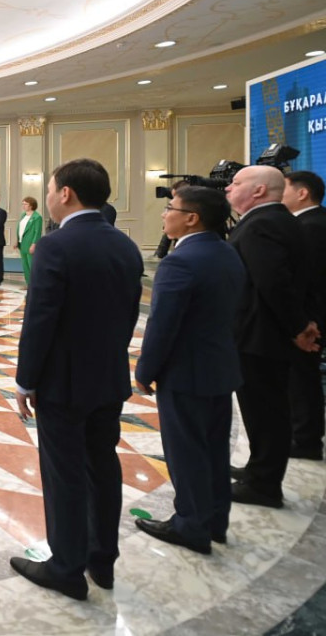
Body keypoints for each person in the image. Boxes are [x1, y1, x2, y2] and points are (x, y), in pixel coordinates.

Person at [9, 158, 143, 601]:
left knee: (64, 473)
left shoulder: (56, 246)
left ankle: (66, 568)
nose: (49, 196)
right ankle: (102, 561)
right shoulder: (125, 245)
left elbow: (40, 320)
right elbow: (128, 315)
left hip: (63, 384)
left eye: (50, 189)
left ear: (65, 193)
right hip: (108, 377)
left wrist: (26, 380)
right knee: (103, 466)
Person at [133, 187, 243, 554]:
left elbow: (162, 324)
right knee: (214, 450)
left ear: (192, 218)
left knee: (187, 452)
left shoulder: (180, 261)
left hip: (186, 372)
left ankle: (191, 526)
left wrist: (145, 370)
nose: (164, 214)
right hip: (220, 367)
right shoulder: (227, 252)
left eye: (170, 208)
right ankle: (215, 522)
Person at [226, 165, 318, 508]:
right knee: (266, 409)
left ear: (259, 190)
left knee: (265, 411)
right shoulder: (279, 220)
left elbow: (273, 282)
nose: (228, 188)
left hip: (259, 336)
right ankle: (259, 469)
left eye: (236, 183)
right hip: (264, 334)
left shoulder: (262, 224)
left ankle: (264, 484)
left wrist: (298, 328)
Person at [282, 170, 326, 461]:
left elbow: (307, 280)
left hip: (311, 318)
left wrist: (302, 322)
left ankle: (306, 439)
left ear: (302, 193)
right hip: (311, 314)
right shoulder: (311, 222)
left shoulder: (310, 227)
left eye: (284, 189)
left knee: (302, 378)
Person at [17, 196, 43, 284]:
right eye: (23, 204)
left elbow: (37, 232)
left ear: (31, 205)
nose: (23, 206)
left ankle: (35, 284)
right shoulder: (23, 215)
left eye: (25, 204)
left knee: (32, 265)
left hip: (30, 244)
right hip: (22, 243)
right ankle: (28, 284)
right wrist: (17, 240)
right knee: (25, 266)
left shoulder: (37, 217)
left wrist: (34, 244)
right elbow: (20, 229)